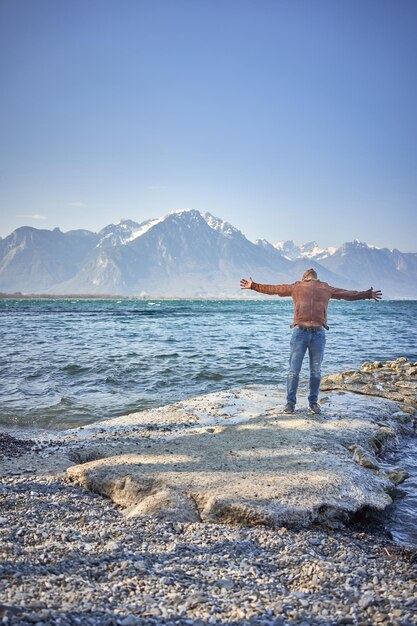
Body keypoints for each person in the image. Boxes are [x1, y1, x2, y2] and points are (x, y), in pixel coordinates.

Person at [240, 268, 382, 414]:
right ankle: (312, 404)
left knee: (294, 371)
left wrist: (254, 286)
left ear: (304, 278)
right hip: (317, 333)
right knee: (315, 371)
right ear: (315, 277)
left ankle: (291, 404)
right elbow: (348, 295)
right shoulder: (326, 287)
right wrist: (367, 294)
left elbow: (274, 289)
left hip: (301, 332)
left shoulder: (298, 286)